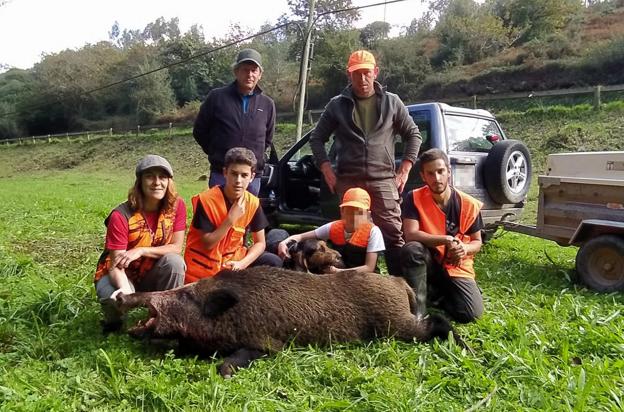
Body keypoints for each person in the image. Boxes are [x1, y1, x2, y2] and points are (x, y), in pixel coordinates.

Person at [309, 49, 421, 276]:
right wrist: (326, 169)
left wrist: (405, 169)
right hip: (349, 181)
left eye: (367, 73)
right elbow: (316, 138)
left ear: (375, 72)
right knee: (351, 235)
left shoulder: (392, 102)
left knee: (392, 233)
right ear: (348, 75)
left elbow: (413, 135)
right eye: (356, 73)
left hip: (383, 179)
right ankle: (357, 288)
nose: (362, 79)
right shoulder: (336, 105)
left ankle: (398, 289)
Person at [94, 155, 186, 332]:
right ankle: (114, 323)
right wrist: (125, 292)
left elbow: (176, 247)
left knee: (175, 262)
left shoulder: (177, 206)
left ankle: (164, 318)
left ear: (169, 181)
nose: (157, 182)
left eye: (163, 177)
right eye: (150, 176)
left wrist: (141, 250)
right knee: (113, 298)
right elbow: (114, 266)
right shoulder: (121, 215)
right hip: (119, 275)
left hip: (150, 272)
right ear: (140, 182)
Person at [400, 148, 484, 323]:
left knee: (471, 314)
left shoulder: (468, 204)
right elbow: (411, 234)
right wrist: (445, 240)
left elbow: (477, 242)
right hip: (429, 261)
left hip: (456, 265)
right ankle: (418, 310)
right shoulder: (413, 198)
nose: (436, 178)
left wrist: (464, 248)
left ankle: (437, 296)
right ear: (423, 176)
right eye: (430, 173)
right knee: (412, 249)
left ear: (449, 172)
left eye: (440, 171)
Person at [184, 147, 282, 283]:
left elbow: (260, 243)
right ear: (225, 173)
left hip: (234, 263)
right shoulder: (206, 200)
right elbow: (208, 244)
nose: (238, 180)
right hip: (204, 268)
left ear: (252, 177)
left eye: (244, 175)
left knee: (273, 261)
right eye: (234, 174)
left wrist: (242, 263)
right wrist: (230, 219)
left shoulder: (252, 202)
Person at [193, 48, 276, 195]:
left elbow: (268, 139)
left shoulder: (267, 104)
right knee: (219, 216)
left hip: (251, 177)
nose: (249, 74)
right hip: (221, 173)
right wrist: (216, 152)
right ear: (236, 71)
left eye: (254, 70)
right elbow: (200, 131)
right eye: (245, 70)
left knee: (247, 216)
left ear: (260, 74)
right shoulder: (216, 97)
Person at [276, 187, 385, 273]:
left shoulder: (374, 232)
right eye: (349, 210)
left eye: (359, 212)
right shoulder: (333, 227)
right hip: (337, 274)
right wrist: (284, 242)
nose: (354, 216)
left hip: (362, 276)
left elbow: (369, 267)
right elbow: (300, 237)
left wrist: (340, 272)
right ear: (342, 211)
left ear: (368, 214)